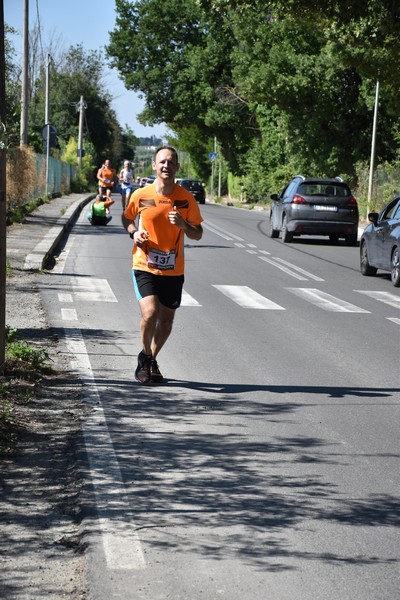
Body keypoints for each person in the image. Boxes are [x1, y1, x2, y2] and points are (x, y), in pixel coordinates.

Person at [124, 146, 204, 384]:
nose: (166, 166)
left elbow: (198, 234)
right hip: (144, 264)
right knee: (149, 313)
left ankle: (150, 359)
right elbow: (127, 217)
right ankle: (146, 356)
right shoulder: (141, 194)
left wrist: (183, 224)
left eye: (171, 162)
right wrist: (134, 232)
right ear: (154, 165)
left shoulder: (185, 198)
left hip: (173, 269)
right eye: (162, 162)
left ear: (177, 167)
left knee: (166, 322)